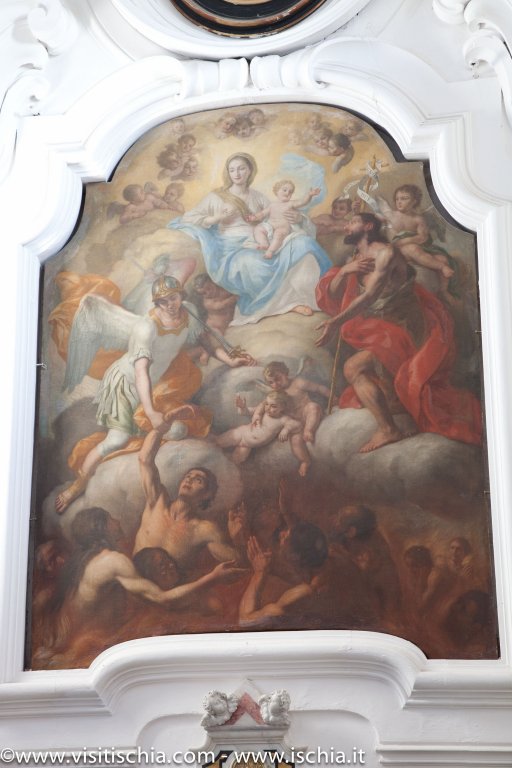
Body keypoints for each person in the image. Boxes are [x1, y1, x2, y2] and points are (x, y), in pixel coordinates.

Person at [55, 276, 254, 513]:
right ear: (157, 303)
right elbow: (141, 372)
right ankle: (78, 484)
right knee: (116, 440)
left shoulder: (188, 313)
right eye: (163, 301)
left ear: (181, 296)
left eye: (173, 298)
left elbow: (207, 341)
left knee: (179, 428)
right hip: (126, 385)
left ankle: (222, 442)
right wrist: (150, 413)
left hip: (154, 384)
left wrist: (230, 360)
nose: (170, 305)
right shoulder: (146, 327)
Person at [315, 212, 482, 452]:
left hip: (404, 328)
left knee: (353, 368)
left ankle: (388, 430)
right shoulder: (356, 257)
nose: (347, 226)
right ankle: (394, 414)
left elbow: (369, 296)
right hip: (379, 328)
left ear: (368, 226)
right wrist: (343, 272)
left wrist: (335, 322)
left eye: (353, 222)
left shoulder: (386, 253)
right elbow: (332, 293)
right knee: (383, 384)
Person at [170, 153, 331, 324]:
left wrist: (298, 219)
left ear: (250, 171)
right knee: (250, 262)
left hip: (263, 239)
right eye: (232, 170)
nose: (237, 173)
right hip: (232, 249)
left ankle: (305, 297)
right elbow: (189, 218)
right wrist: (217, 218)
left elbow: (277, 213)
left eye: (241, 169)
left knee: (303, 243)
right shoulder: (216, 197)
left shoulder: (258, 197)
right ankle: (285, 304)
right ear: (228, 173)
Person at [134, 407, 245, 573]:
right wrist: (166, 422)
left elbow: (236, 562)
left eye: (198, 480)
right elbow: (144, 459)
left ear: (207, 494)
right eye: (188, 476)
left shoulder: (204, 529)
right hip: (134, 582)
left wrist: (238, 539)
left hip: (170, 588)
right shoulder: (158, 500)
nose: (189, 480)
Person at [216, 391, 311, 476]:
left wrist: (286, 429)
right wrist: (242, 407)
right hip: (240, 433)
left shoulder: (283, 419)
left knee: (234, 462)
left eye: (273, 406)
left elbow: (298, 425)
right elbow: (245, 412)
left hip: (247, 445)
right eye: (267, 404)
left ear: (282, 407)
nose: (268, 408)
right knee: (217, 443)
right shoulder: (262, 413)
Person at [376, 185, 455, 282]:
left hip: (417, 249)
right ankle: (442, 267)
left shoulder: (418, 219)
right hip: (396, 251)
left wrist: (406, 240)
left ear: (414, 201)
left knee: (442, 259)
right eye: (397, 199)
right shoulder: (390, 215)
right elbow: (377, 222)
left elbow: (423, 237)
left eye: (404, 198)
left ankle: (443, 289)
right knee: (413, 248)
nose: (399, 202)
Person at [252, 360, 330, 443]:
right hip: (294, 422)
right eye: (271, 382)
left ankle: (308, 430)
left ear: (286, 373)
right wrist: (257, 415)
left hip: (306, 414)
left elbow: (318, 388)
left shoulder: (298, 383)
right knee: (295, 441)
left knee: (313, 407)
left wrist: (332, 396)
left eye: (278, 379)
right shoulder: (275, 393)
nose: (275, 384)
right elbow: (263, 404)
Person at [247, 181, 320, 260]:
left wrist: (309, 195)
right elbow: (262, 214)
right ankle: (264, 243)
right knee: (258, 229)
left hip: (283, 228)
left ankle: (270, 251)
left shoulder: (290, 203)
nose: (287, 193)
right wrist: (254, 217)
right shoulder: (272, 205)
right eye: (284, 190)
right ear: (277, 191)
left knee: (278, 235)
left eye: (290, 192)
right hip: (270, 226)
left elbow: (302, 202)